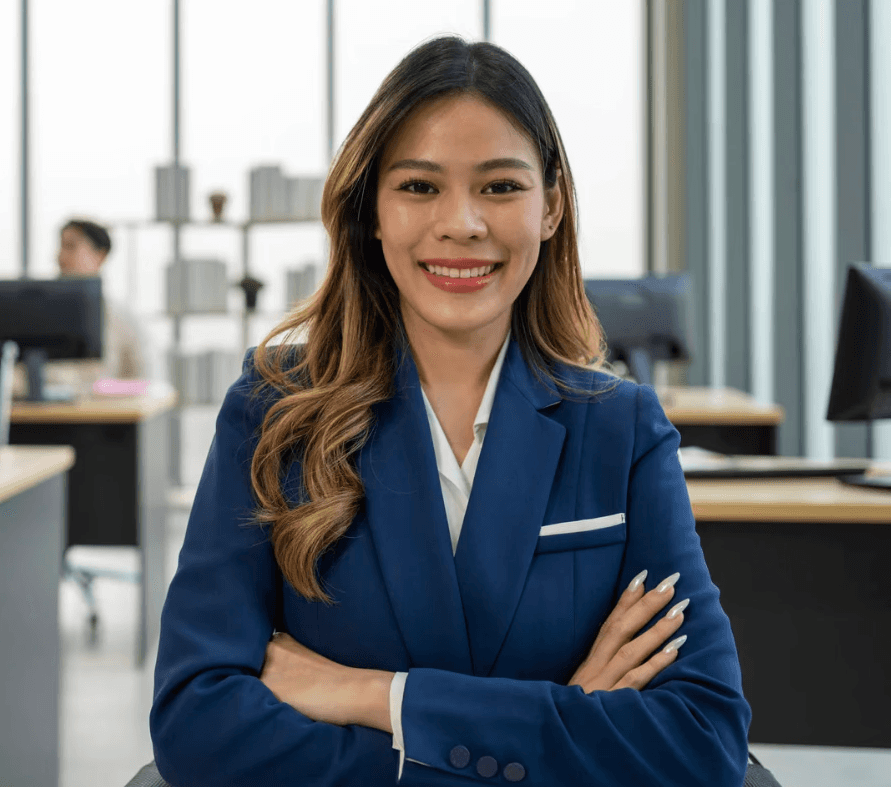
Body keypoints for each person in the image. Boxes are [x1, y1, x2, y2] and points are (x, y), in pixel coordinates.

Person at [150, 36, 751, 786]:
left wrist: (380, 695)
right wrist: (554, 721)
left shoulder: (619, 426)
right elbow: (195, 721)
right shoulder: (274, 409)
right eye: (418, 187)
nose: (461, 223)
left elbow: (700, 739)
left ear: (551, 206)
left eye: (499, 187)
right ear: (372, 208)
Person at [12, 218, 152, 399]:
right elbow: (16, 374)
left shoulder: (122, 320)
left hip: (102, 417)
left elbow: (142, 378)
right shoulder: (35, 312)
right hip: (41, 416)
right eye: (61, 247)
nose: (60, 257)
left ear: (99, 256)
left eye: (70, 247)